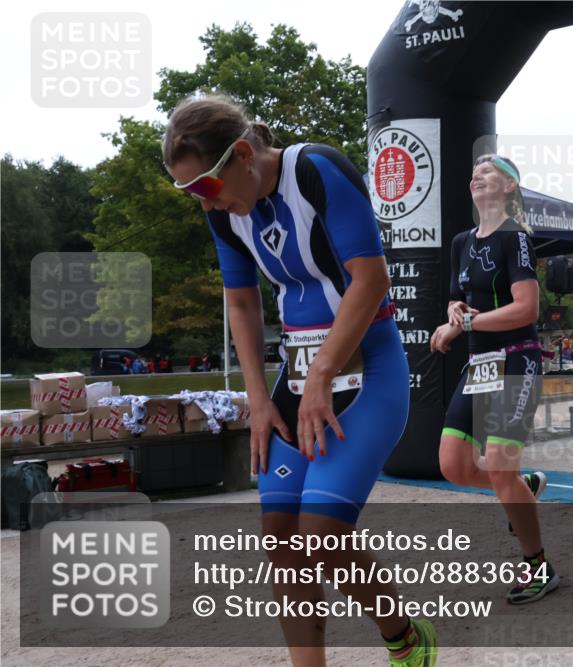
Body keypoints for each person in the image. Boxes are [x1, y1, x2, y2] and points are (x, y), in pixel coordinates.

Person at [163, 94, 433, 666]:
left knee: (323, 533)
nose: (203, 205)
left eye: (204, 187)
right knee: (282, 540)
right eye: (188, 195)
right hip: (299, 373)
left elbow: (371, 279)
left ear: (241, 154)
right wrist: (258, 400)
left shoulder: (315, 169)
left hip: (368, 368)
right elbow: (241, 303)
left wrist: (322, 376)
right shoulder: (227, 213)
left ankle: (404, 636)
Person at [431, 154, 558, 607]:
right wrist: (454, 314)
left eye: (490, 171)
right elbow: (455, 300)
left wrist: (463, 326)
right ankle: (525, 490)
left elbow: (526, 309)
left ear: (509, 187)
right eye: (475, 172)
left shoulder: (515, 238)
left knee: (502, 469)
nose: (477, 175)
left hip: (516, 360)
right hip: (479, 366)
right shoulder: (461, 242)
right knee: (453, 467)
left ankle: (538, 565)